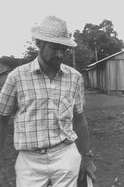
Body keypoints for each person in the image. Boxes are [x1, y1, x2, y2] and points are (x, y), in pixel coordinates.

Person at [0, 16, 96, 187]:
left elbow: (79, 119)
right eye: (54, 48)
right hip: (30, 161)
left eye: (63, 49)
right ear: (39, 44)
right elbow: (2, 120)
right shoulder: (16, 77)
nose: (59, 54)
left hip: (65, 155)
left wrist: (87, 157)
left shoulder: (75, 78)